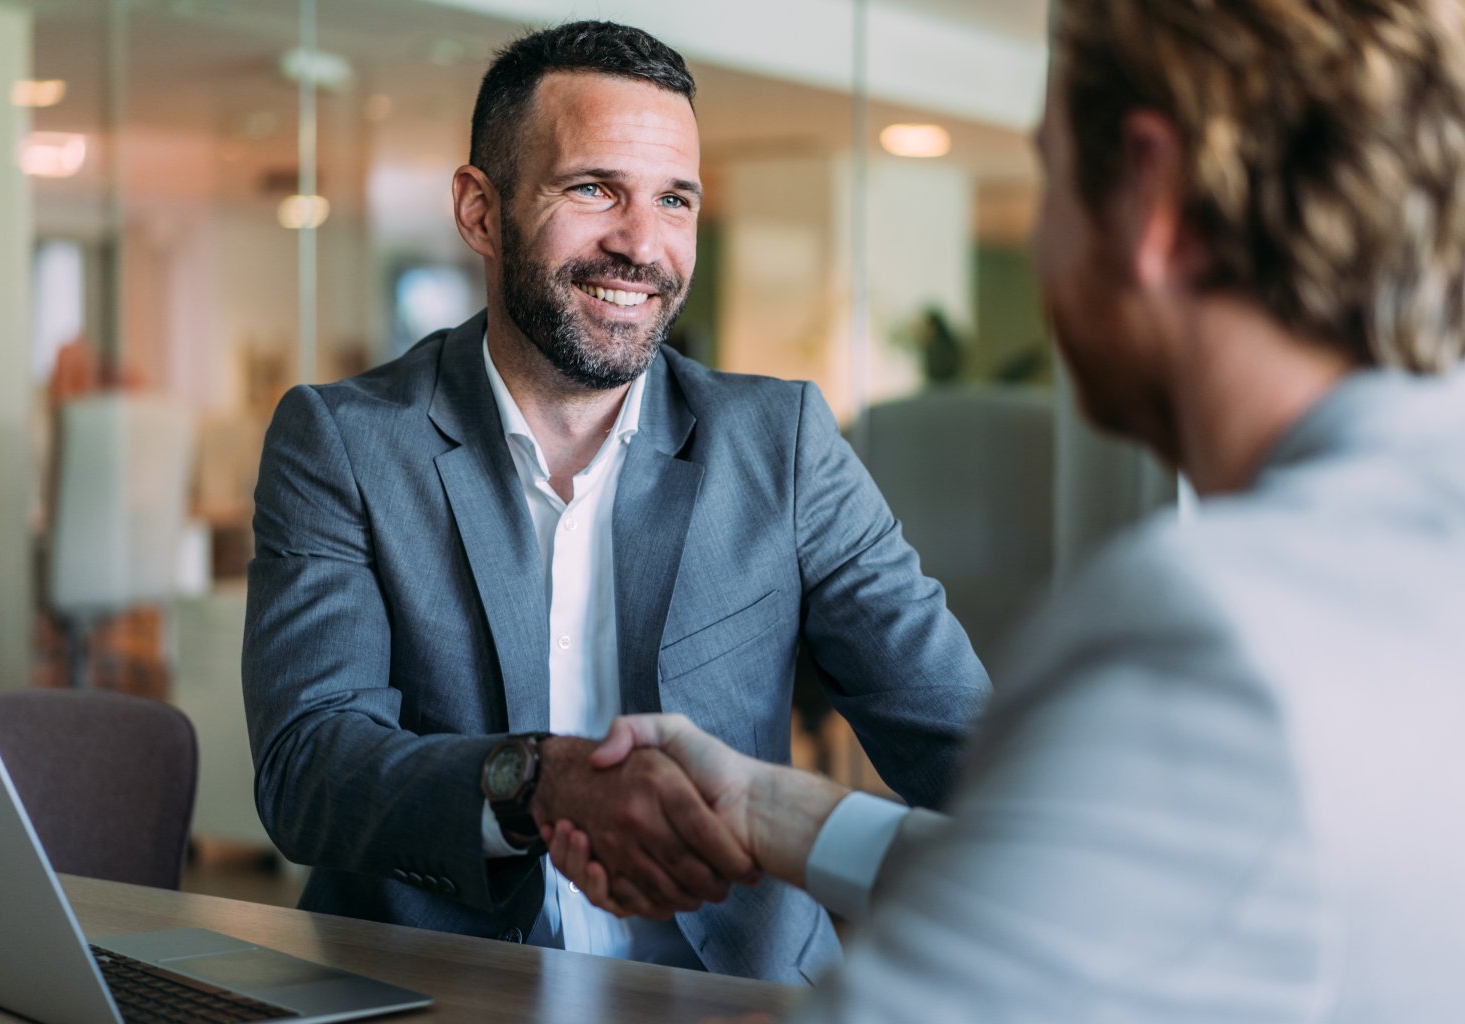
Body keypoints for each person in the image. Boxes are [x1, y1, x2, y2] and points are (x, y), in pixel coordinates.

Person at [547, 0, 1465, 1018]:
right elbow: (1113, 888)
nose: (1039, 238)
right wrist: (777, 806)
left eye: (1050, 175)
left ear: (1151, 197)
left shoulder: (1207, 624)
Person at [240, 20, 989, 985]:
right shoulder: (341, 442)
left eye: (674, 200)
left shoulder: (785, 446)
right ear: (479, 210)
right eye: (594, 188)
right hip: (443, 993)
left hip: (735, 999)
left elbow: (965, 747)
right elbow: (309, 766)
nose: (642, 245)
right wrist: (538, 785)